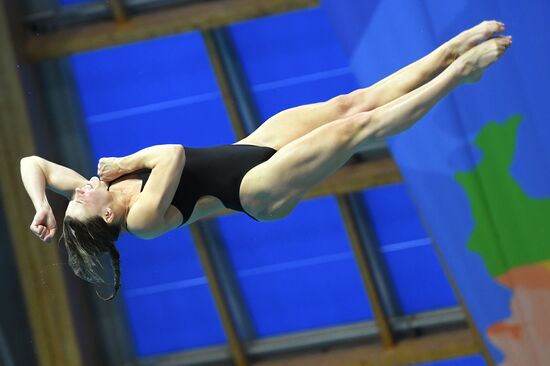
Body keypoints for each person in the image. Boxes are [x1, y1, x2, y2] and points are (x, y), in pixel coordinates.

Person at [20, 21, 512, 299]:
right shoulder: (144, 220)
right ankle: (460, 76)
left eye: (76, 193)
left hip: (251, 148)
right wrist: (129, 159)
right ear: (108, 214)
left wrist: (43, 202)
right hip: (256, 190)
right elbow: (172, 154)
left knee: (351, 102)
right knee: (356, 129)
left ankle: (449, 50)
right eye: (81, 198)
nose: (81, 187)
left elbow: (32, 162)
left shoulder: (102, 187)